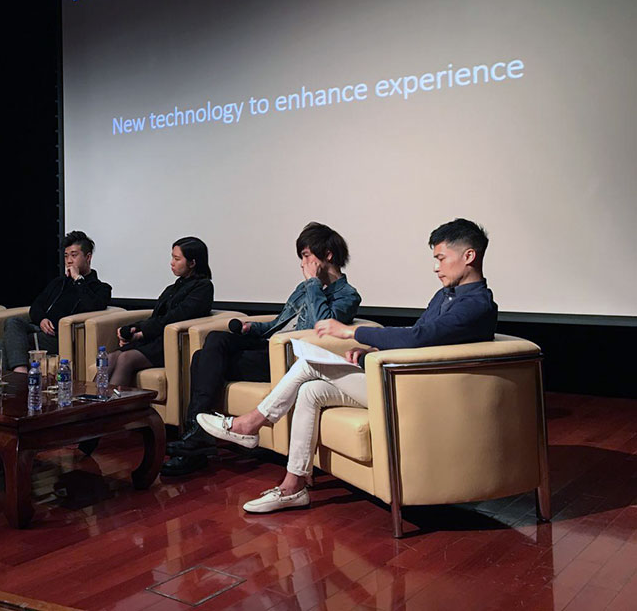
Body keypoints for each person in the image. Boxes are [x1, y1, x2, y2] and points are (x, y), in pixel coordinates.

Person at [196, 218, 498, 513]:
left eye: (441, 258)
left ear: (468, 256)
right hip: (397, 380)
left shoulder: (476, 304)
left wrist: (351, 332)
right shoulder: (445, 296)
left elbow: (421, 337)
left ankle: (249, 425)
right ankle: (293, 487)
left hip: (413, 390)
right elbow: (418, 334)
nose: (436, 267)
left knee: (308, 364)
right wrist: (371, 349)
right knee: (311, 391)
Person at [161, 223, 361, 476]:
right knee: (214, 340)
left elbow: (322, 324)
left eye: (306, 256)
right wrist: (252, 328)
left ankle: (196, 439)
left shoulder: (347, 295)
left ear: (328, 255)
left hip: (288, 357)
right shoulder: (303, 289)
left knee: (203, 359)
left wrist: (313, 284)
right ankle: (197, 436)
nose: (303, 264)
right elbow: (280, 324)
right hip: (267, 346)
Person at [105, 237, 214, 387]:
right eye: (172, 257)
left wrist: (141, 333)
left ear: (192, 263)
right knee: (110, 358)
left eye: (177, 259)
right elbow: (156, 316)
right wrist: (134, 328)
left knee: (125, 359)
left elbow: (176, 316)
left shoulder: (203, 287)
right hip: (154, 339)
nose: (172, 263)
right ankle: (88, 400)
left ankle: (111, 402)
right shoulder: (173, 288)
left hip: (171, 343)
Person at [3, 231, 112, 373]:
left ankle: (19, 378)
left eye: (74, 255)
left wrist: (78, 279)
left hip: (60, 337)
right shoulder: (59, 282)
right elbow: (36, 306)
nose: (69, 261)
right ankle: (20, 374)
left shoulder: (101, 288)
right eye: (66, 256)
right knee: (13, 322)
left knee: (6, 342)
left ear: (88, 257)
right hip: (40, 330)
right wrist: (42, 319)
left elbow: (91, 306)